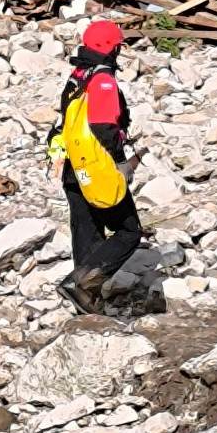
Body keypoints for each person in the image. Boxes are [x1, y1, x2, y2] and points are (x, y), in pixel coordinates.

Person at [47, 18, 143, 316]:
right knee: (129, 231)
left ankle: (87, 300)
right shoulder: (103, 80)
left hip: (72, 166)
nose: (119, 53)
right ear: (110, 48)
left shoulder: (78, 74)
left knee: (87, 230)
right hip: (97, 166)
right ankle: (80, 283)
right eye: (118, 47)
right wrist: (119, 162)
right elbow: (103, 126)